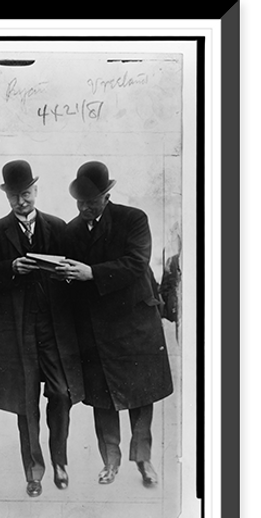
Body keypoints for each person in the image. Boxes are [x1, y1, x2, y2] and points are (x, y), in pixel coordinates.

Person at [56, 161, 174, 486]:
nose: (84, 208)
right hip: (94, 330)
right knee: (102, 399)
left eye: (91, 201)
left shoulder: (133, 219)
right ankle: (111, 461)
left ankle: (143, 460)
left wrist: (91, 273)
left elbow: (137, 263)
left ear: (107, 195)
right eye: (80, 202)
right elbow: (67, 279)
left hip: (134, 324)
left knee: (141, 395)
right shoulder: (71, 231)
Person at [0, 160, 84, 498]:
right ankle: (33, 471)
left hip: (54, 328)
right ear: (6, 196)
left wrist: (63, 272)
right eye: (13, 196)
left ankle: (61, 461)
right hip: (18, 329)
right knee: (26, 403)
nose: (21, 201)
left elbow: (74, 275)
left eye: (25, 193)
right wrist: (10, 267)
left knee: (62, 395)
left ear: (35, 190)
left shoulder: (58, 227)